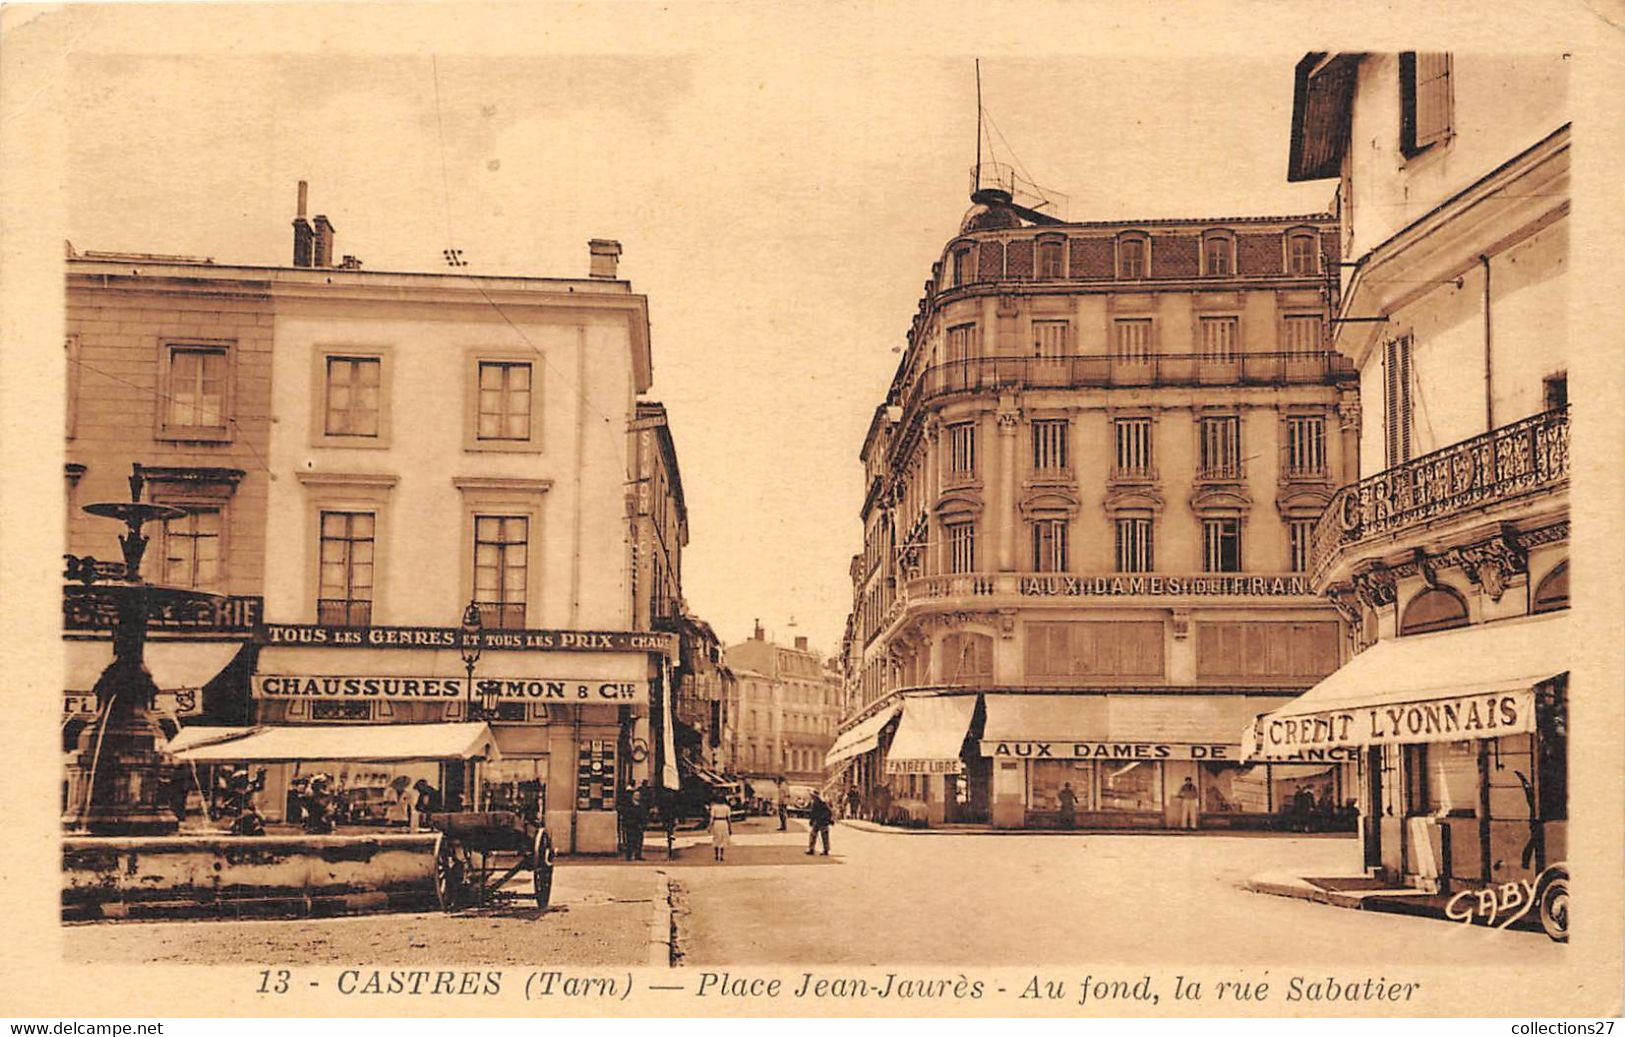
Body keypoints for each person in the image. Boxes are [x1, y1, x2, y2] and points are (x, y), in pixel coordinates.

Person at [806, 790, 833, 855]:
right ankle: (826, 849)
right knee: (824, 836)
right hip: (823, 820)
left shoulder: (815, 802)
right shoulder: (823, 802)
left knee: (813, 835)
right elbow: (829, 811)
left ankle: (811, 849)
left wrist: (811, 821)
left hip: (819, 820)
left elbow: (813, 813)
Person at [631, 780, 652, 861]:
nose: (637, 797)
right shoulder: (631, 806)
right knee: (632, 840)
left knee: (639, 840)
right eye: (636, 796)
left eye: (638, 796)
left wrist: (643, 823)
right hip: (632, 825)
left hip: (639, 825)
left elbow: (643, 815)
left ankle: (638, 854)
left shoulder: (642, 806)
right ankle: (630, 855)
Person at [708, 793, 732, 862]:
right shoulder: (727, 807)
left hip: (717, 822)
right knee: (722, 839)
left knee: (716, 838)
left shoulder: (714, 807)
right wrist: (730, 827)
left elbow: (712, 817)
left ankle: (716, 855)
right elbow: (729, 818)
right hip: (724, 823)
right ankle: (721, 856)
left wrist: (710, 826)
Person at [615, 784, 637, 861]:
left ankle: (629, 854)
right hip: (632, 822)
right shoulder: (633, 802)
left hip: (627, 821)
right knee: (632, 838)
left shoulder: (624, 802)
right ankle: (630, 854)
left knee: (628, 838)